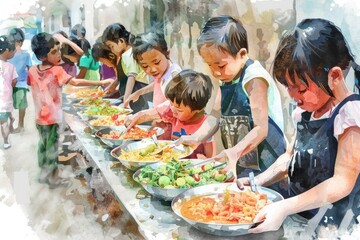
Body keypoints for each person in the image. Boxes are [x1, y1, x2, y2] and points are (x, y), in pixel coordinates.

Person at [236, 18, 360, 236]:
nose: (293, 97)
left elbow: (342, 182)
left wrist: (284, 206)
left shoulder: (351, 114)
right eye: (288, 88)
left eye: (300, 89)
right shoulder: (306, 113)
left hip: (334, 229)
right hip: (299, 220)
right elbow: (290, 158)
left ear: (334, 76)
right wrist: (256, 182)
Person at [180, 16, 287, 185]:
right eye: (210, 65)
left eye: (220, 65)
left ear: (242, 54)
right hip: (243, 157)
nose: (215, 72)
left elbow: (261, 128)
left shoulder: (255, 78)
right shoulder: (227, 76)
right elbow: (215, 115)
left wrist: (235, 151)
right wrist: (196, 138)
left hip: (267, 159)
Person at [28, 32, 114, 187]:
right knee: (52, 147)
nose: (59, 54)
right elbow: (75, 82)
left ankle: (43, 174)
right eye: (54, 52)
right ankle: (53, 178)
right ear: (42, 56)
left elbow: (35, 87)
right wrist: (101, 83)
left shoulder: (32, 71)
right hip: (52, 117)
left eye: (58, 50)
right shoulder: (56, 71)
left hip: (39, 117)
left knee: (43, 144)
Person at [125, 69, 215, 158]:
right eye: (171, 104)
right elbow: (153, 113)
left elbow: (210, 155)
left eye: (179, 110)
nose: (173, 110)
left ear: (198, 109)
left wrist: (207, 160)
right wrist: (135, 118)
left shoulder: (206, 126)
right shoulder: (173, 112)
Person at [124, 31, 182, 139]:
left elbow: (174, 105)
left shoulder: (175, 75)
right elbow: (157, 84)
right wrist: (139, 92)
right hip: (162, 124)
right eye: (145, 66)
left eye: (156, 62)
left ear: (167, 54)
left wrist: (144, 115)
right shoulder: (162, 72)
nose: (152, 69)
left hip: (175, 129)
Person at [102, 23, 151, 113]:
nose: (112, 50)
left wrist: (126, 99)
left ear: (121, 41)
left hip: (138, 91)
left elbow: (131, 77)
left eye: (111, 46)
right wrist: (114, 84)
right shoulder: (126, 54)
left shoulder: (129, 54)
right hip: (136, 91)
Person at [8, 28, 32, 133]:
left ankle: (11, 125)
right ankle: (20, 125)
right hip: (21, 83)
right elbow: (30, 69)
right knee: (22, 105)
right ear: (21, 42)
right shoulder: (26, 55)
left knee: (8, 105)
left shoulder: (7, 55)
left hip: (9, 84)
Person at [0, 35, 17, 149]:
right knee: (3, 121)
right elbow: (14, 81)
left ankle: (10, 119)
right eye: (12, 51)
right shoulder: (10, 66)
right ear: (7, 50)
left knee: (2, 121)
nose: (14, 53)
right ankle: (6, 142)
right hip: (5, 98)